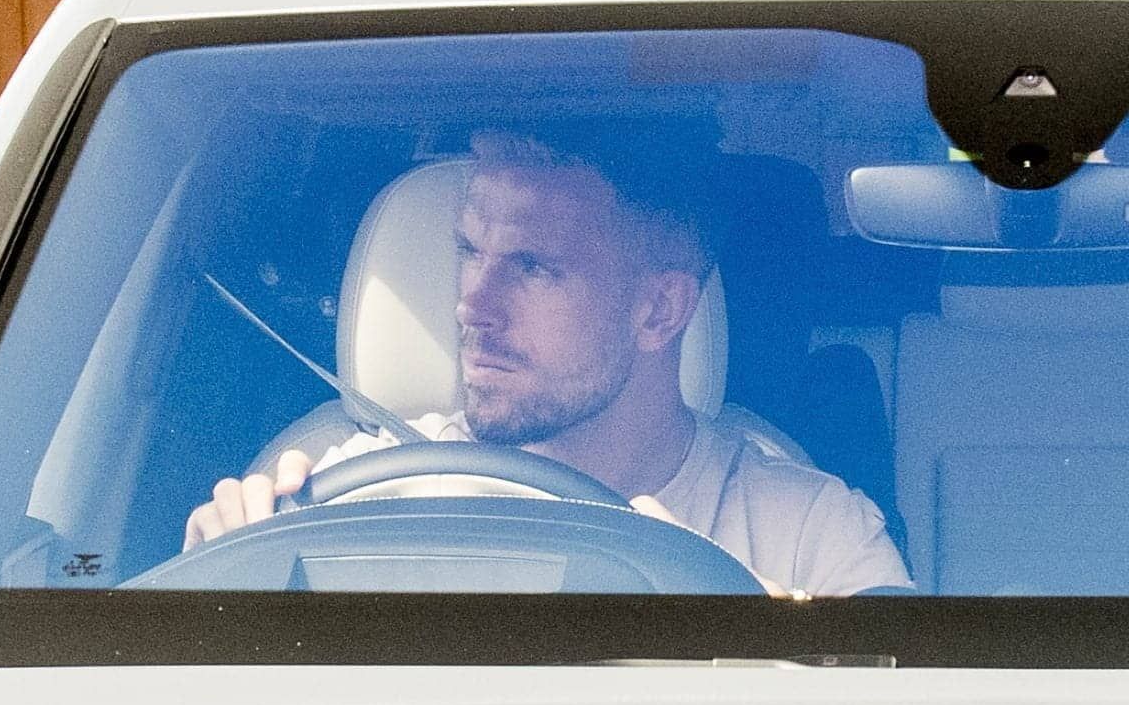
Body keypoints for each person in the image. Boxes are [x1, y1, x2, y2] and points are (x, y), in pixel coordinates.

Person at [184, 131, 913, 597]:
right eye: (471, 252)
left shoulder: (811, 537)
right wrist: (218, 587)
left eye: (532, 267)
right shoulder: (349, 504)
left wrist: (783, 639)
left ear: (658, 310)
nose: (473, 306)